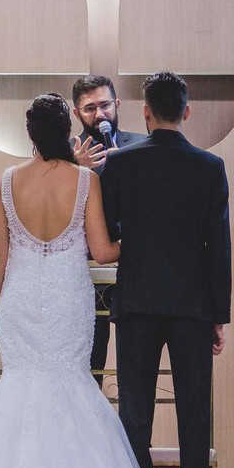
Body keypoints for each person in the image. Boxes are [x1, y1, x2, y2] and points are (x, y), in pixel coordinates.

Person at [0, 94, 203, 468]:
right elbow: (103, 251)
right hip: (69, 299)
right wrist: (144, 236)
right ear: (67, 130)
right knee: (71, 385)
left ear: (31, 134)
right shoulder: (84, 180)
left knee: (21, 390)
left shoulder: (8, 180)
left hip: (19, 300)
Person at [100, 72, 232, 468]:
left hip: (136, 297)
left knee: (134, 408)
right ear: (187, 112)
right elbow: (220, 246)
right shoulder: (210, 167)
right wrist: (219, 315)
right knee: (194, 407)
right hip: (193, 303)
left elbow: (109, 230)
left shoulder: (118, 165)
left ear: (146, 112)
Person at [69, 75, 147, 387]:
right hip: (87, 272)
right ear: (77, 114)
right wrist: (77, 170)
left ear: (117, 104)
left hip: (136, 269)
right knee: (91, 363)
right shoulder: (65, 153)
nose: (100, 115)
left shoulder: (143, 145)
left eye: (105, 105)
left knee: (137, 363)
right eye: (90, 109)